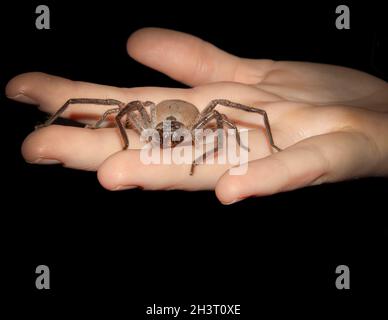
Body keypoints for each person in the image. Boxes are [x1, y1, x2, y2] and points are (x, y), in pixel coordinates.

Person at [5, 28, 388, 204]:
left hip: (193, 116)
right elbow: (124, 112)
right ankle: (48, 124)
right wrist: (122, 135)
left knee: (232, 119)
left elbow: (231, 120)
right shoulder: (147, 118)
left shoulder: (202, 123)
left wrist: (201, 157)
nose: (169, 137)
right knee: (110, 106)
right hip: (159, 113)